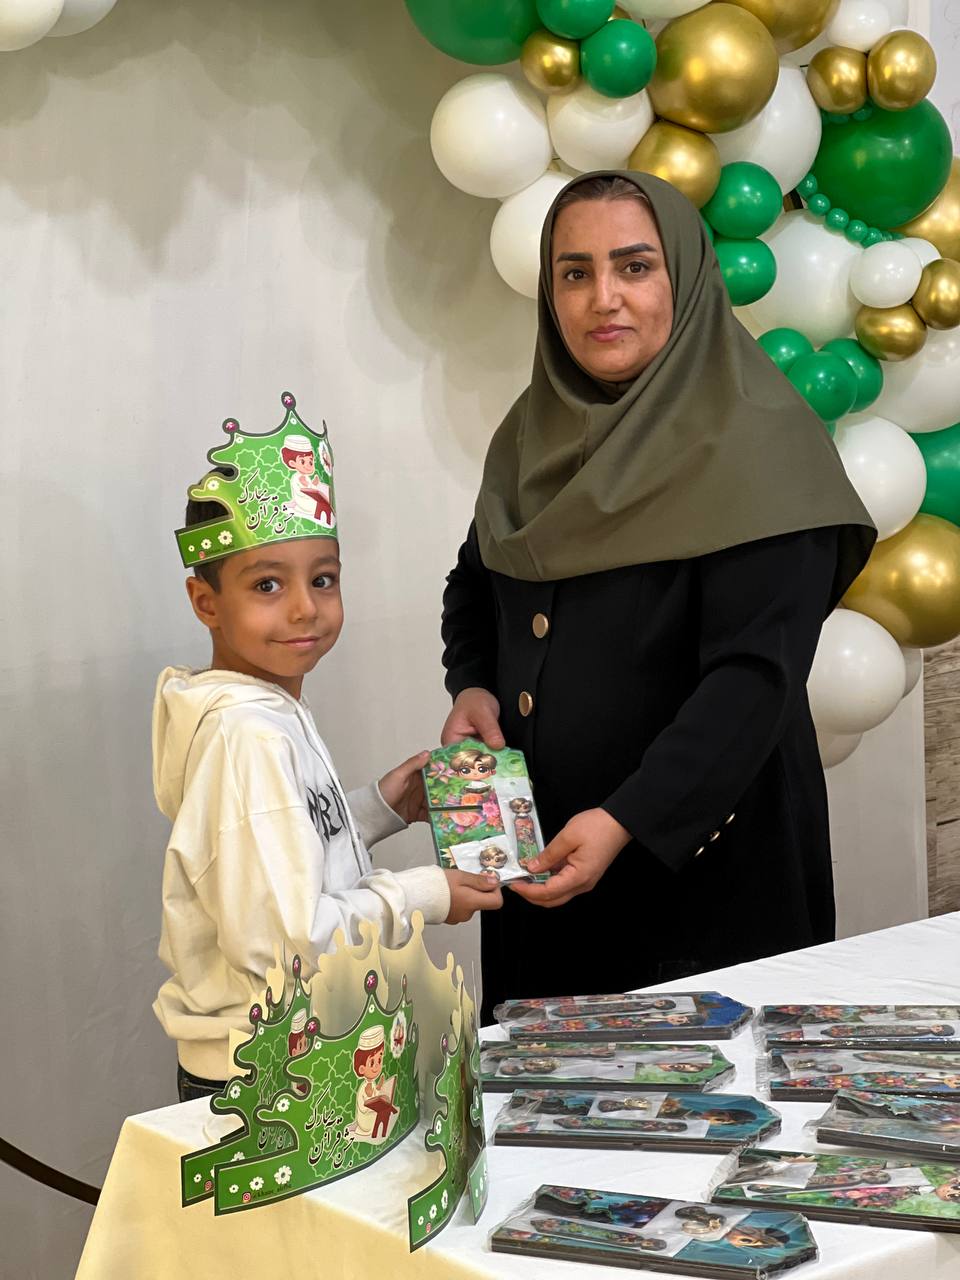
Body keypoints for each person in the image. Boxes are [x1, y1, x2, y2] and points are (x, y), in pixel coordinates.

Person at [440, 173, 875, 1018]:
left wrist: (628, 820)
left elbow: (752, 681)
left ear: (685, 275)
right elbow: (477, 579)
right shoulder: (535, 432)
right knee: (547, 1090)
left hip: (703, 871)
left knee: (707, 1093)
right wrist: (474, 684)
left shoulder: (762, 446)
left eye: (635, 267)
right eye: (574, 272)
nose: (603, 298)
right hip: (548, 863)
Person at [154, 392, 502, 1101]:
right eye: (267, 585)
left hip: (295, 1054)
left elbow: (278, 858)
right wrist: (424, 894)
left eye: (322, 579)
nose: (304, 607)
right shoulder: (248, 734)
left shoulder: (268, 708)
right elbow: (288, 947)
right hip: (265, 1077)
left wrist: (374, 809)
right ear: (206, 602)